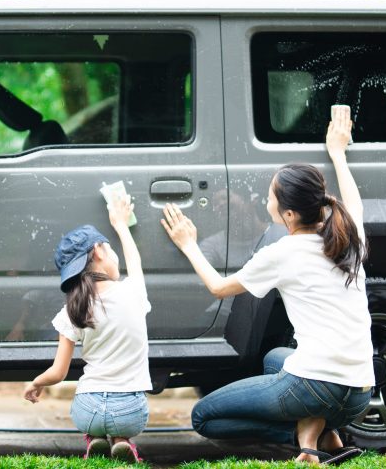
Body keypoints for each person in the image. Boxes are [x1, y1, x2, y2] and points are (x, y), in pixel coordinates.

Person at [160, 106, 374, 465]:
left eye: (271, 195)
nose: (266, 200)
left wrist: (188, 244)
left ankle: (304, 436)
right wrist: (337, 151)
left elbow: (217, 286)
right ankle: (325, 434)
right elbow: (352, 200)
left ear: (288, 215)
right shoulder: (349, 236)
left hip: (314, 387)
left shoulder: (283, 252)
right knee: (276, 358)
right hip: (359, 395)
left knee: (204, 417)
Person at [23, 194, 151, 463]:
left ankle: (94, 438)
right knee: (126, 419)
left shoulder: (73, 308)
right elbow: (135, 261)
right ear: (99, 251)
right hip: (129, 411)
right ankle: (122, 440)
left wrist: (36, 383)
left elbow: (58, 373)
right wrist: (121, 225)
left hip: (87, 410)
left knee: (93, 415)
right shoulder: (133, 292)